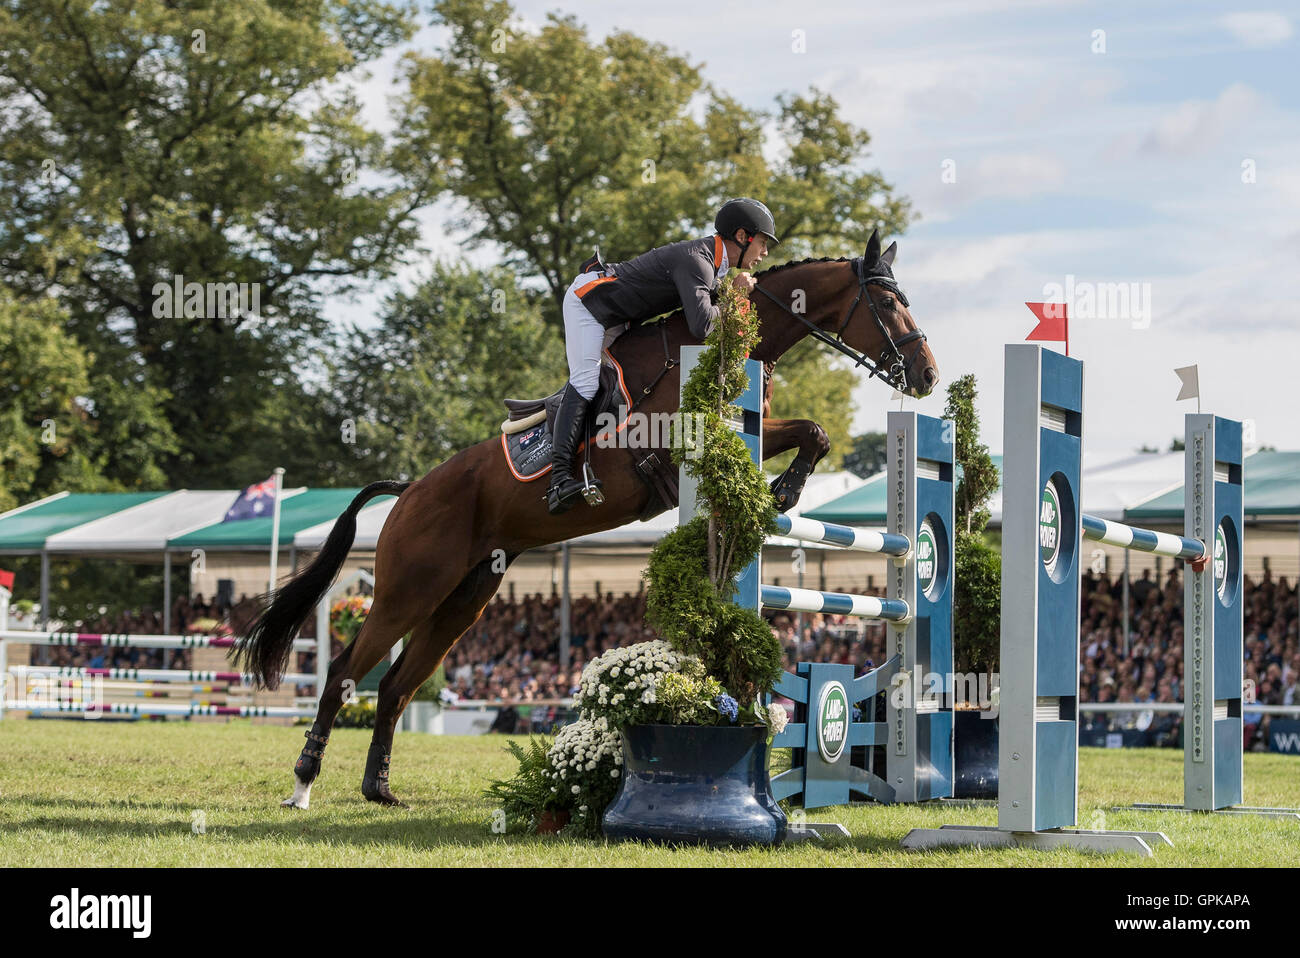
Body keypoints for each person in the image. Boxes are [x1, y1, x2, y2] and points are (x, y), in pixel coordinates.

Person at [547, 197, 780, 514]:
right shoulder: (697, 260)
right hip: (591, 305)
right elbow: (702, 327)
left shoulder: (713, 264)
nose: (765, 253)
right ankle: (559, 480)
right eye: (763, 243)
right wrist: (736, 296)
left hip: (622, 315)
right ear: (743, 236)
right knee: (586, 382)